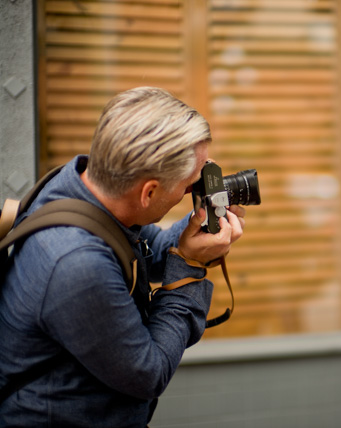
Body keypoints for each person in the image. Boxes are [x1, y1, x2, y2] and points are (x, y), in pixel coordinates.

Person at [0, 86, 246, 427]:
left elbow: (152, 253)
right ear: (148, 192)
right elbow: (148, 374)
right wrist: (190, 266)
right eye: (190, 185)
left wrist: (201, 225)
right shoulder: (76, 263)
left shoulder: (89, 190)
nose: (196, 189)